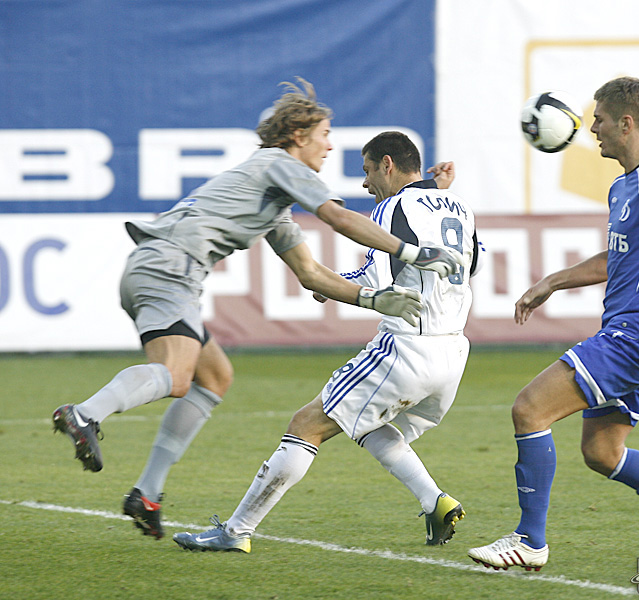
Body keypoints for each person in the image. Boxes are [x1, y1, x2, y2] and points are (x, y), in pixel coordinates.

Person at [51, 79, 464, 540]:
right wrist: (412, 252)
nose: (330, 146)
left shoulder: (271, 197)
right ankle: (85, 413)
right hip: (168, 268)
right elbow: (337, 216)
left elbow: (310, 273)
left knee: (213, 378)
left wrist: (370, 299)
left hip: (166, 269)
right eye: (324, 135)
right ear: (299, 136)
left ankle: (147, 494)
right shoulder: (278, 162)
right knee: (176, 376)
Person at [467, 77, 639, 572]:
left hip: (638, 336)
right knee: (602, 451)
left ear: (626, 124)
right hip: (631, 332)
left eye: (600, 120)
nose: (591, 129)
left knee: (529, 409)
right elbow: (617, 259)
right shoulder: (624, 186)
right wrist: (553, 281)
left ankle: (529, 540)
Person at [171, 130, 481, 553]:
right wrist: (437, 192)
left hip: (408, 346)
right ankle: (436, 502)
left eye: (368, 171)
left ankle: (236, 531)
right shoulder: (459, 206)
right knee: (367, 425)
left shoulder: (393, 206)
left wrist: (329, 284)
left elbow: (374, 278)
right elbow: (471, 267)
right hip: (454, 352)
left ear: (388, 164)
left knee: (306, 425)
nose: (366, 183)